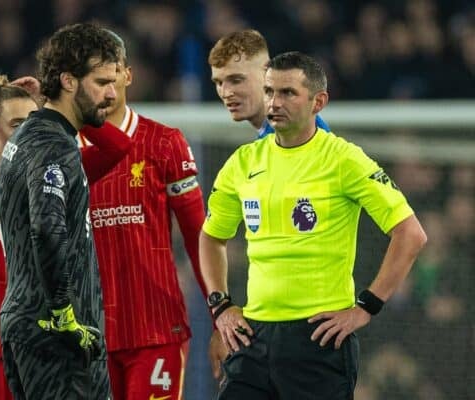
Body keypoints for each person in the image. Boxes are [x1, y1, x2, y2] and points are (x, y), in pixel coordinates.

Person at [199, 51, 427, 399]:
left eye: (288, 93)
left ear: (318, 102)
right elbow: (212, 237)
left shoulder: (343, 159)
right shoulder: (242, 162)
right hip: (252, 335)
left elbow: (410, 234)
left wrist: (366, 307)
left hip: (318, 338)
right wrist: (221, 305)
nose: (275, 102)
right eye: (270, 91)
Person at [0, 73, 130, 400]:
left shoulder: (55, 174)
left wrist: (58, 109)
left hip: (39, 348)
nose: (30, 133)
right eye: (18, 124)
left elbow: (118, 146)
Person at [0, 23, 124, 400]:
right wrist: (64, 313)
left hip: (27, 321)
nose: (112, 94)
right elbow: (47, 228)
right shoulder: (55, 146)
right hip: (55, 332)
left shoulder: (27, 136)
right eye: (101, 82)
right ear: (68, 81)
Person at [79, 29, 209, 400]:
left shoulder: (164, 142)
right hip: (88, 337)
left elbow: (198, 235)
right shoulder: (64, 152)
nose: (104, 89)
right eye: (93, 79)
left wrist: (221, 317)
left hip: (155, 328)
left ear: (128, 75)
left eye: (110, 77)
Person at [208, 29, 330, 139]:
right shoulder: (276, 134)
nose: (225, 93)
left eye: (236, 80)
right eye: (219, 82)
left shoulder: (293, 135)